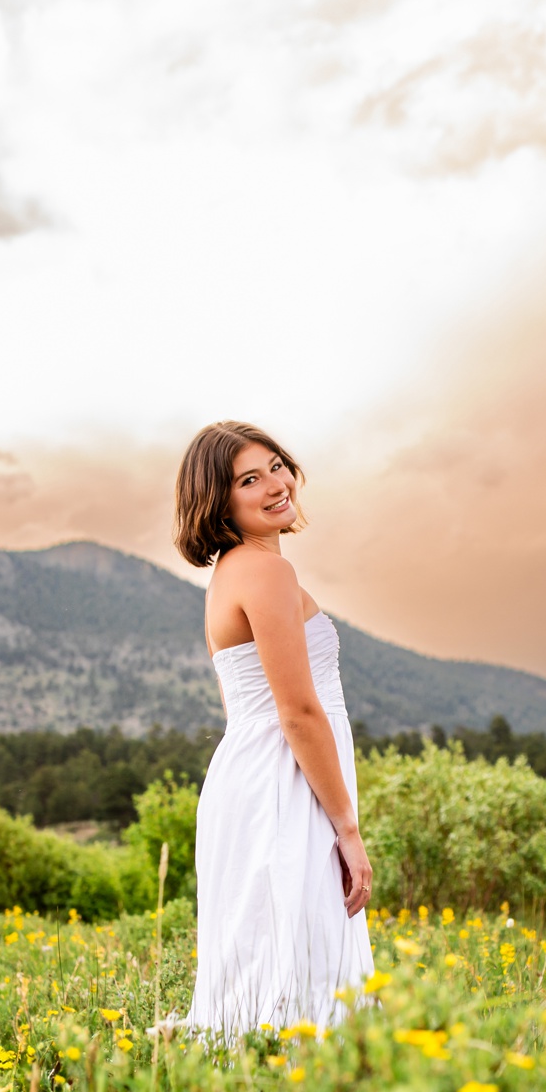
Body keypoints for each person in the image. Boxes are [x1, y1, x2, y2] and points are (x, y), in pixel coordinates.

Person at [169, 421, 376, 1035]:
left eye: (276, 466)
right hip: (284, 785)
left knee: (266, 954)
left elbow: (245, 707)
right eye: (248, 480)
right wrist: (347, 828)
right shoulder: (265, 572)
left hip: (257, 776)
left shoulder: (234, 572)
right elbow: (298, 710)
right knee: (298, 954)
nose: (276, 485)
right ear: (219, 500)